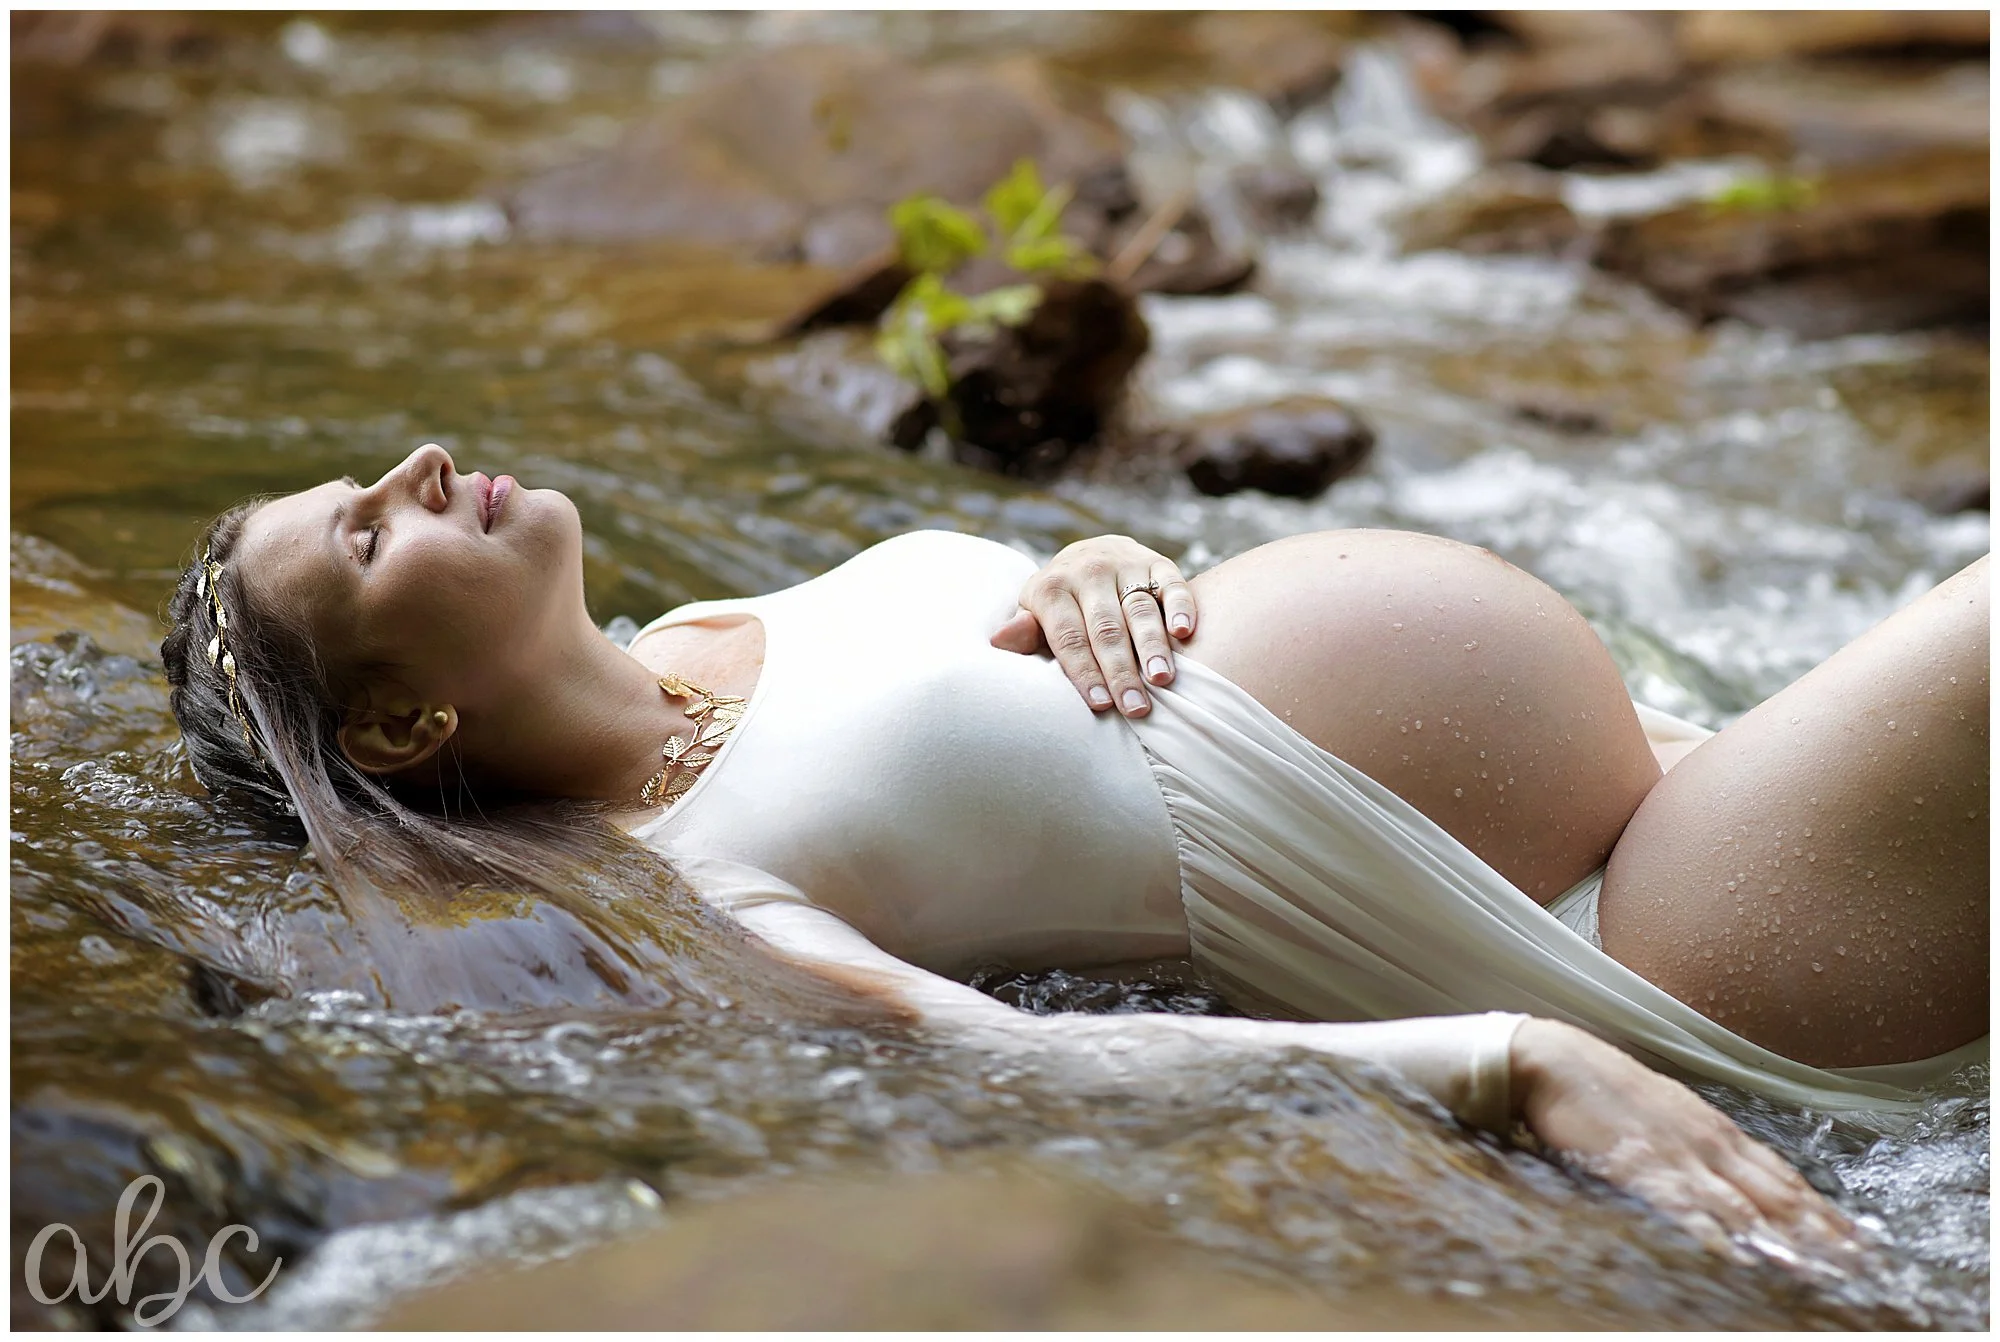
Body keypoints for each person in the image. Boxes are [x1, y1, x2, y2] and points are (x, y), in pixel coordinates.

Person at [163, 444, 1986, 1265]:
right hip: (1672, 937)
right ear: (401, 729)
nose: (418, 462)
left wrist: (1089, 566)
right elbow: (1028, 1068)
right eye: (371, 535)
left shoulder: (711, 626)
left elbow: (1034, 672)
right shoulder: (693, 882)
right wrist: (1512, 1066)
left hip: (1691, 785)